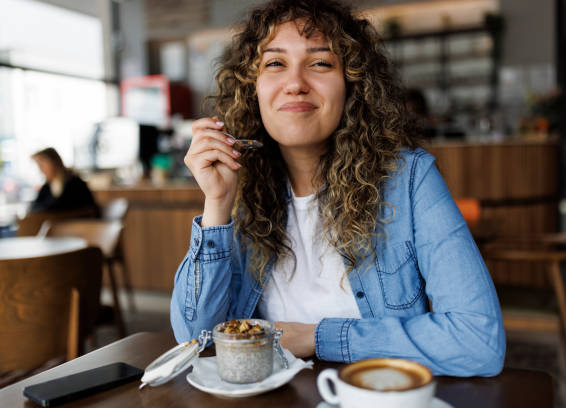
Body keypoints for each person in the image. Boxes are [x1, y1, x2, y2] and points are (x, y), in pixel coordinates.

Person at [171, 0, 505, 377]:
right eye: (275, 63)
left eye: (320, 63)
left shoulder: (409, 180)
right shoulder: (243, 191)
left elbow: (479, 342)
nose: (295, 84)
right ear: (253, 90)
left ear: (352, 84)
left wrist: (319, 337)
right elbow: (195, 341)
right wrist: (216, 204)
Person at [30, 147, 100, 216]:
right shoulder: (47, 187)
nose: (40, 169)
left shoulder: (74, 183)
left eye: (42, 164)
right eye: (39, 165)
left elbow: (59, 207)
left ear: (54, 162)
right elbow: (34, 207)